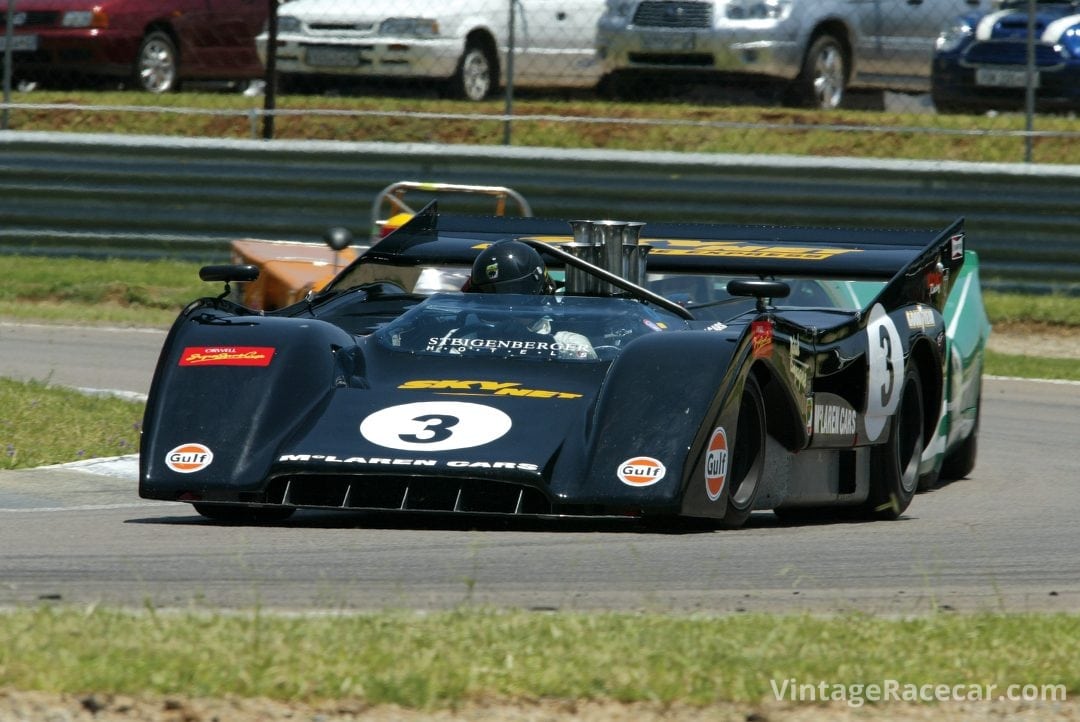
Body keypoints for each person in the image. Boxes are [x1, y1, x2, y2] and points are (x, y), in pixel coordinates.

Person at [466, 240, 595, 359]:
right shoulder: (466, 338)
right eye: (494, 298)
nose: (504, 306)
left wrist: (536, 342)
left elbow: (586, 360)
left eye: (513, 295)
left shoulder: (567, 341)